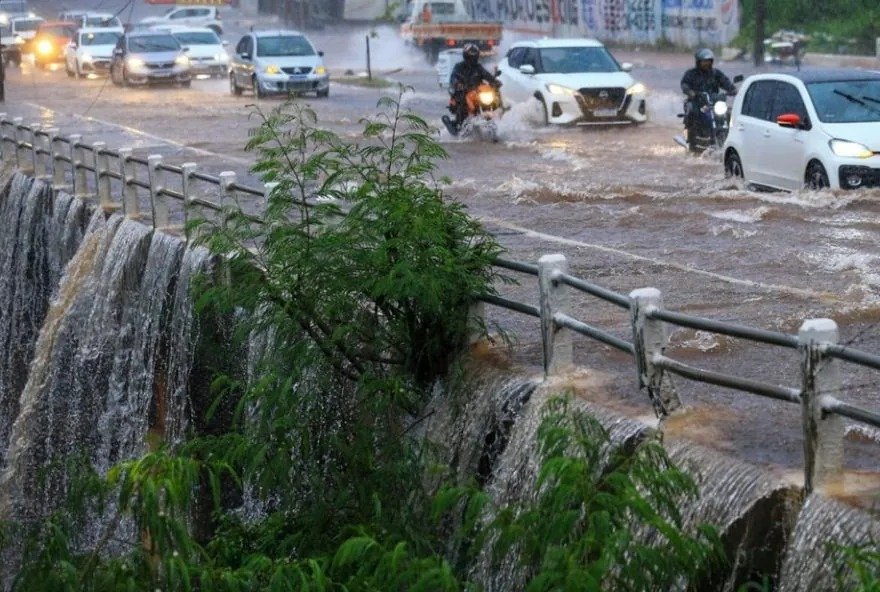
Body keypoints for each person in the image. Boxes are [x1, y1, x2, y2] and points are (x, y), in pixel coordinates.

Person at [442, 43, 498, 135]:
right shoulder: (459, 67)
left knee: (493, 100)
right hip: (464, 91)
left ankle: (492, 125)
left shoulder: (479, 67)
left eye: (474, 56)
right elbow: (453, 77)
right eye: (471, 56)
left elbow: (487, 75)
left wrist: (495, 81)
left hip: (477, 92)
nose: (472, 58)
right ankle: (458, 124)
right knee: (462, 102)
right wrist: (457, 84)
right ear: (466, 56)